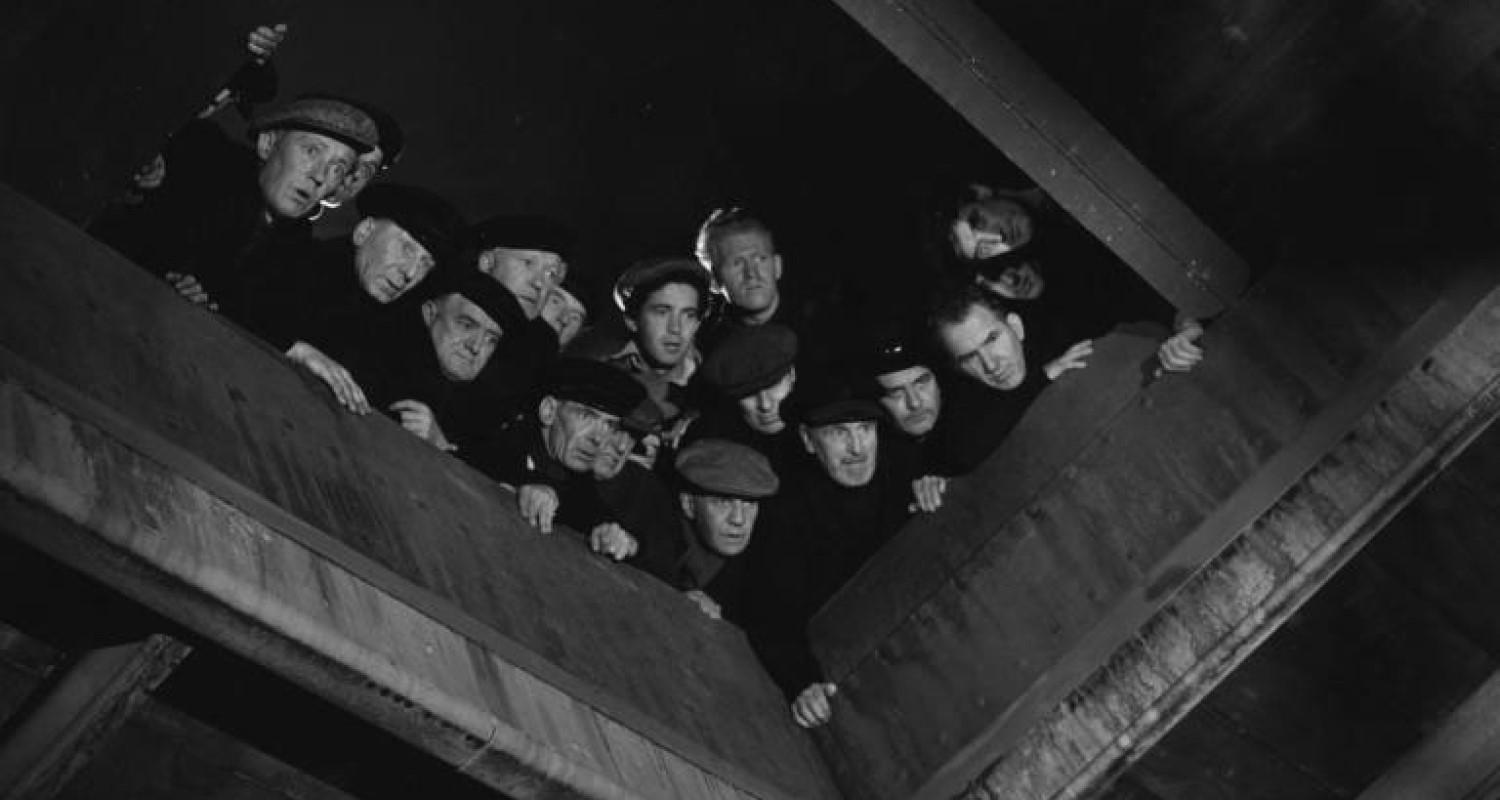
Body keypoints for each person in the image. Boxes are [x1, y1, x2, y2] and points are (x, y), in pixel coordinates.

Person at [736, 374, 918, 728]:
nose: (857, 447)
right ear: (807, 440)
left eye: (865, 428)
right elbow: (772, 619)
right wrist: (803, 683)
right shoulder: (785, 516)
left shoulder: (905, 475)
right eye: (838, 433)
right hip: (852, 681)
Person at [91, 95, 379, 315]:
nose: (319, 176)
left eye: (337, 169)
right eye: (311, 151)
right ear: (267, 145)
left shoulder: (299, 257)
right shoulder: (201, 160)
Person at [946, 183, 1205, 373]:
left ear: (980, 192)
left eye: (979, 221)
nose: (997, 238)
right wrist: (1186, 324)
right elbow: (1133, 293)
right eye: (985, 251)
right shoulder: (1072, 265)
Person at [224, 182, 465, 381]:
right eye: (406, 249)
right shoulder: (290, 262)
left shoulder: (397, 337)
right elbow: (229, 299)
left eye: (425, 264)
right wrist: (294, 349)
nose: (410, 274)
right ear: (364, 232)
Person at [306, 268, 524, 452]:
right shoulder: (376, 358)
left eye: (491, 340)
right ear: (429, 314)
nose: (475, 347)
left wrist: (440, 446)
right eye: (466, 325)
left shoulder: (487, 418)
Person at [468, 359, 654, 564]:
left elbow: (591, 512)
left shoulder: (576, 478)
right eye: (586, 416)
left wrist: (624, 541)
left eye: (609, 425)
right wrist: (521, 488)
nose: (599, 438)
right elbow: (480, 461)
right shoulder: (499, 438)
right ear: (548, 411)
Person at [927, 281, 1092, 473]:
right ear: (958, 368)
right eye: (969, 357)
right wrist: (1041, 377)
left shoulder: (1063, 323)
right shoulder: (961, 412)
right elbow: (962, 456)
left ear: (1016, 326)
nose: (990, 365)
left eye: (992, 339)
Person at [670, 439, 779, 621]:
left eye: (749, 503)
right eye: (723, 501)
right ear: (688, 504)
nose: (738, 519)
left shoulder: (765, 577)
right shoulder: (654, 544)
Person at [685, 323, 801, 469]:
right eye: (748, 393)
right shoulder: (712, 448)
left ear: (792, 374)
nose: (765, 405)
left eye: (773, 386)